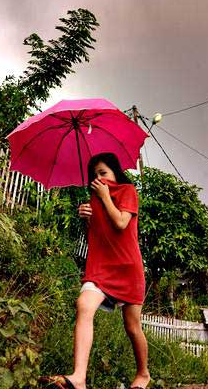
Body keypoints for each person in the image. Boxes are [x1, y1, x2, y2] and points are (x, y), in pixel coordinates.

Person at [41, 153, 149, 389]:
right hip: (101, 268)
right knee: (84, 305)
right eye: (95, 176)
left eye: (103, 173)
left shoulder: (127, 190)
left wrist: (105, 198)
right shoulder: (95, 199)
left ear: (115, 173)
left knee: (132, 326)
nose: (99, 179)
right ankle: (79, 377)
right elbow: (101, 235)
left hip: (128, 268)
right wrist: (88, 218)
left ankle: (143, 374)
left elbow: (121, 222)